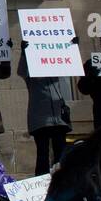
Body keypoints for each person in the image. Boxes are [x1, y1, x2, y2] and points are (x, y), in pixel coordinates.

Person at [17, 40, 74, 175]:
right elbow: (21, 71)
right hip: (40, 119)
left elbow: (70, 64)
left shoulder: (55, 71)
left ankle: (61, 181)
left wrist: (72, 47)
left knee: (60, 152)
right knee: (42, 153)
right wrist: (24, 53)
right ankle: (41, 182)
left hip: (58, 119)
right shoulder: (31, 74)